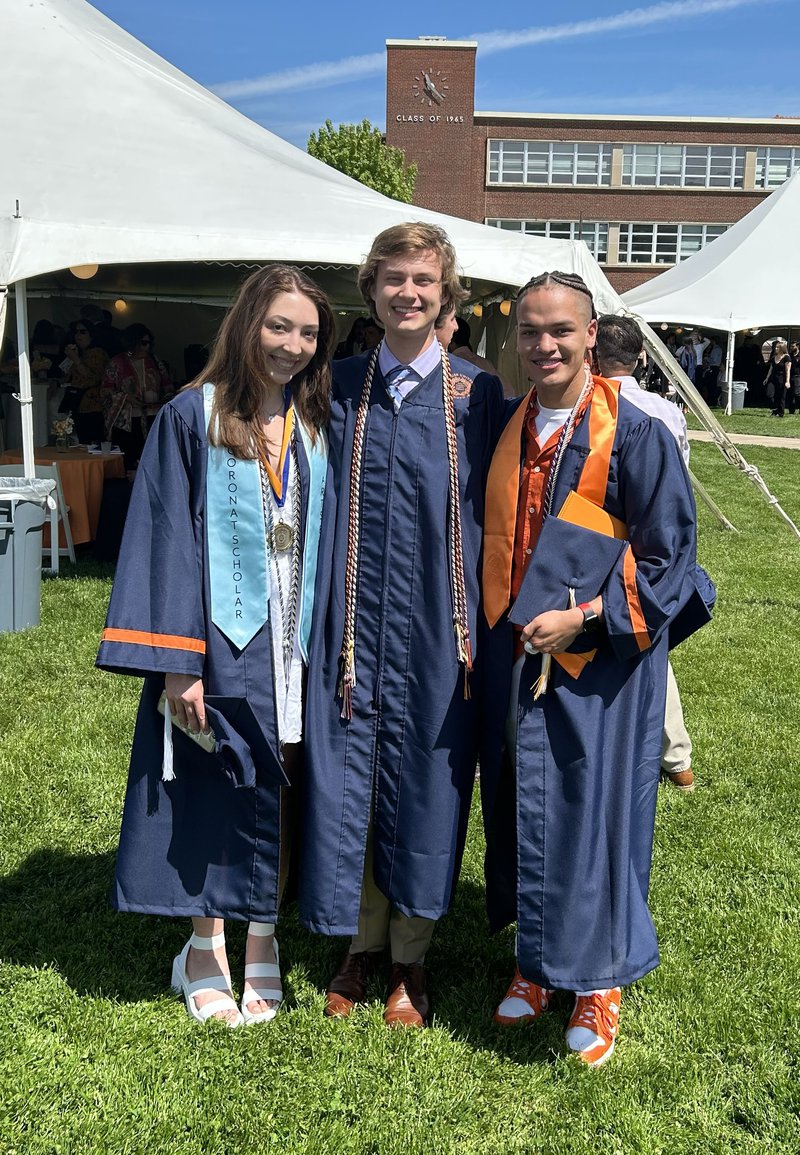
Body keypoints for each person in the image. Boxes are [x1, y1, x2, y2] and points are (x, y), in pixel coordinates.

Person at [96, 265, 335, 1026]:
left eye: (307, 333)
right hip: (220, 638)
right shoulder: (188, 417)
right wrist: (177, 660)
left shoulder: (314, 424)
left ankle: (261, 934)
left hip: (294, 641)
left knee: (284, 780)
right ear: (246, 325)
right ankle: (204, 947)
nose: (292, 345)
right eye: (279, 327)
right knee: (213, 784)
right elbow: (165, 537)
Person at [480, 272, 708, 1067]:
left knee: (598, 812)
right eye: (532, 331)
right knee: (528, 804)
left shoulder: (635, 433)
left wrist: (586, 617)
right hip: (521, 657)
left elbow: (670, 558)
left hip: (603, 662)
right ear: (517, 337)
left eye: (562, 331)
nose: (546, 345)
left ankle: (600, 981)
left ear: (590, 336)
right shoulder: (509, 425)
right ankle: (539, 965)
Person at [299, 222, 504, 1028]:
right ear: (372, 289)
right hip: (348, 631)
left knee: (425, 785)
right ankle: (359, 944)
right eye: (393, 278)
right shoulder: (337, 384)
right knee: (347, 778)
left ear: (445, 294)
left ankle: (411, 961)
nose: (408, 292)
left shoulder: (476, 394)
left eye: (423, 279)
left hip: (436, 634)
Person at [595, 313, 704, 792]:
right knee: (646, 639)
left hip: (610, 543)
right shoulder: (667, 409)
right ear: (639, 355)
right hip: (656, 540)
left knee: (635, 641)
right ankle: (676, 757)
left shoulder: (599, 409)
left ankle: (667, 753)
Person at [102, 323, 173, 469]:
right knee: (129, 458)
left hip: (153, 415)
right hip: (128, 420)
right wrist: (126, 398)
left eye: (148, 343)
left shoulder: (154, 360)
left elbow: (167, 385)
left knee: (152, 456)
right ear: (132, 342)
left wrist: (165, 398)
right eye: (143, 343)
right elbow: (105, 391)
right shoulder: (117, 362)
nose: (146, 347)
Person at [59, 320, 109, 444]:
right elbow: (65, 376)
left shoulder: (97, 352)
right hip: (79, 405)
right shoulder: (80, 353)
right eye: (76, 332)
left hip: (94, 406)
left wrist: (76, 360)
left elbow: (93, 378)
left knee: (94, 442)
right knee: (82, 442)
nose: (78, 335)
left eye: (83, 332)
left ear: (91, 334)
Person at [765, 340, 791, 417]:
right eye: (776, 347)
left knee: (781, 396)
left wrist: (787, 381)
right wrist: (767, 378)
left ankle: (780, 412)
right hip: (773, 378)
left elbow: (788, 370)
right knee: (769, 394)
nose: (775, 348)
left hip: (782, 379)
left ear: (782, 348)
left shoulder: (786, 358)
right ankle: (775, 408)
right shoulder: (773, 357)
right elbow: (771, 369)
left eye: (777, 347)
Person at [789, 342, 800, 415]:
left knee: (797, 394)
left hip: (798, 376)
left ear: (797, 346)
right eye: (791, 347)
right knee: (790, 394)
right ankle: (791, 410)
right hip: (790, 376)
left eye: (793, 346)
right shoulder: (790, 356)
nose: (791, 348)